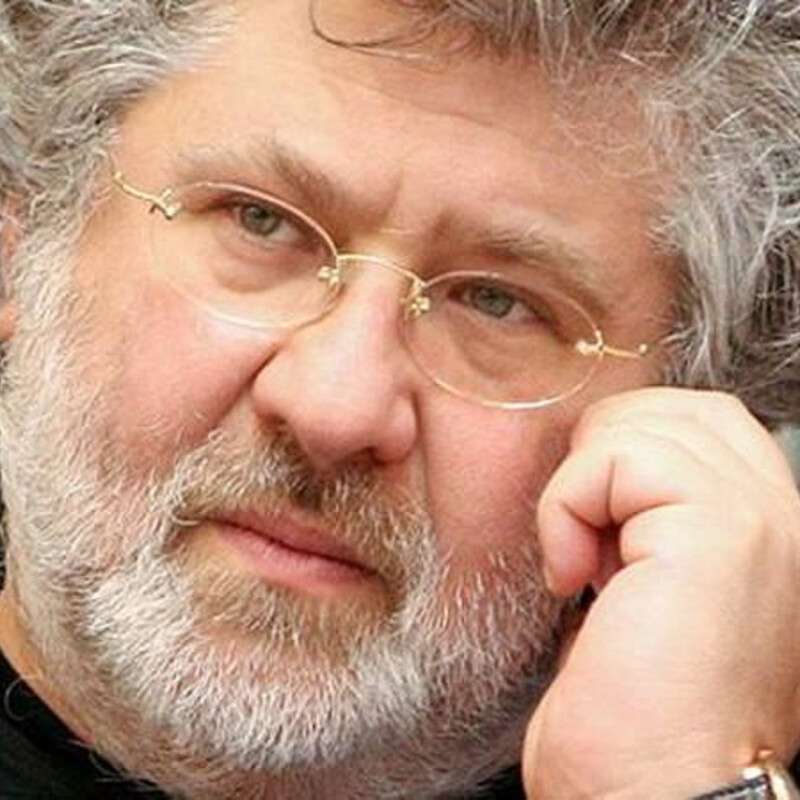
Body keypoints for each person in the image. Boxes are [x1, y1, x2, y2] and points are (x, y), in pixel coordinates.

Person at [0, 1, 799, 798]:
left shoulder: (700, 762)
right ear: (24, 243)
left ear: (704, 407)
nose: (335, 410)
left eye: (496, 303)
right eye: (261, 222)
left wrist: (679, 782)